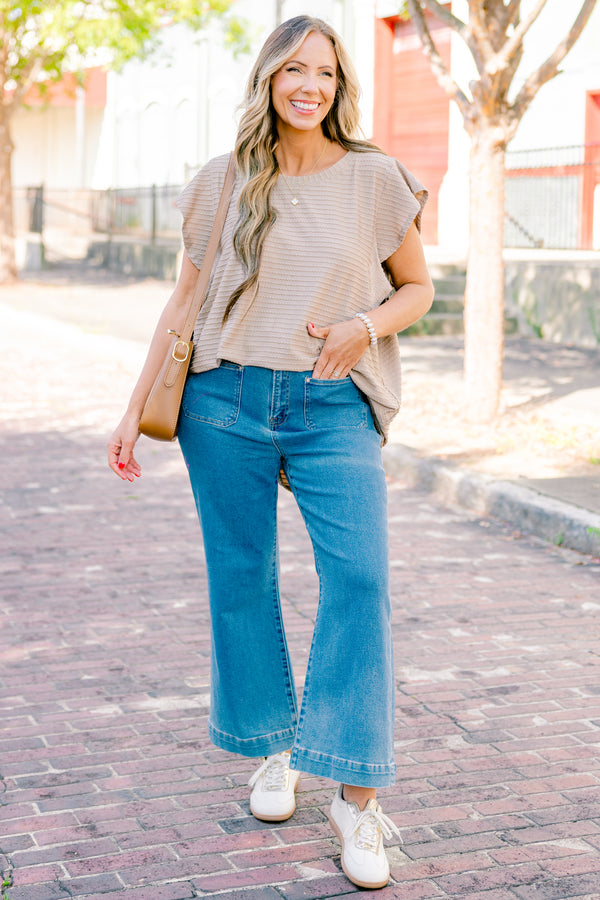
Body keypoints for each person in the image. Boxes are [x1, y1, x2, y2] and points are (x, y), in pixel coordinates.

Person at [108, 14, 433, 890]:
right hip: (224, 403)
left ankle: (357, 800)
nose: (309, 85)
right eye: (294, 69)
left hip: (333, 407)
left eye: (324, 72)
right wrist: (135, 408)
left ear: (339, 86)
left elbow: (417, 288)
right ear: (266, 79)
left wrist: (365, 328)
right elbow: (183, 306)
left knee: (360, 582)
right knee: (242, 581)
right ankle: (271, 751)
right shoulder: (220, 182)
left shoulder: (374, 179)